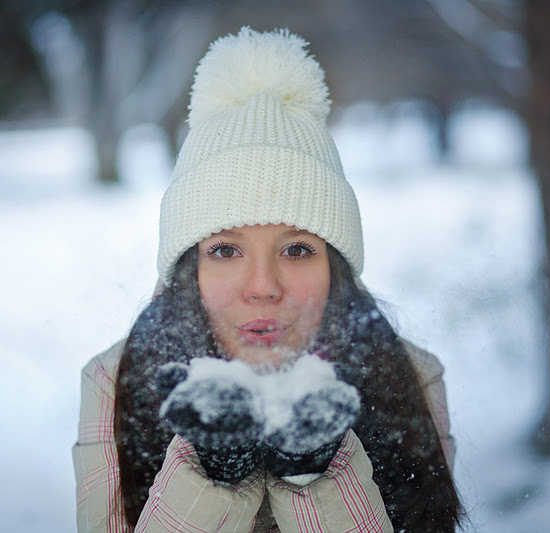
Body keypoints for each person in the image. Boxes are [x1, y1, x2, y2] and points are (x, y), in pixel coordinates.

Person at [73, 27, 464, 533]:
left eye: (297, 249)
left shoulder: (406, 376)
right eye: (225, 250)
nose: (262, 286)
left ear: (335, 267)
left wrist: (316, 474)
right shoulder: (117, 380)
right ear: (189, 270)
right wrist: (212, 479)